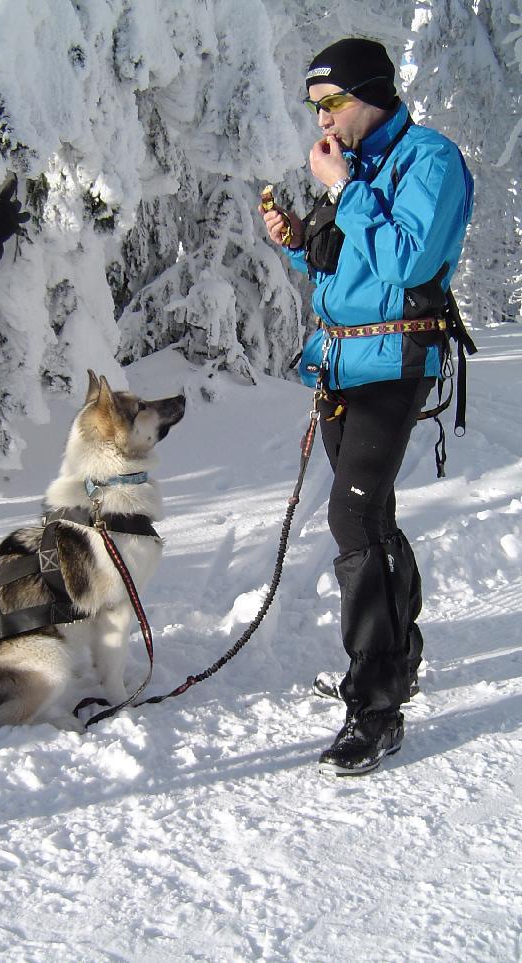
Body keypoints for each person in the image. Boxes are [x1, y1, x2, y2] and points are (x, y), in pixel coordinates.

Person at [260, 38, 473, 775]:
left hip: (397, 359)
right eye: (314, 105)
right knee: (371, 515)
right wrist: (296, 241)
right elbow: (342, 262)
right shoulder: (356, 169)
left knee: (350, 515)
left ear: (370, 93)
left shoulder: (430, 161)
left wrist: (346, 189)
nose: (320, 116)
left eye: (331, 102)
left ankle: (376, 705)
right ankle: (399, 655)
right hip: (341, 359)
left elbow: (407, 260)